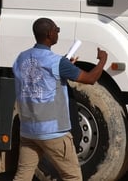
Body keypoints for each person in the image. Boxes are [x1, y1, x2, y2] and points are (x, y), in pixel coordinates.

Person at [12, 17, 108, 181]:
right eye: (57, 30)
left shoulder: (21, 58)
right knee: (72, 176)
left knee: (22, 176)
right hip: (53, 132)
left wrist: (67, 66)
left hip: (28, 130)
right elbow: (90, 78)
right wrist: (102, 60)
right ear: (50, 34)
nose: (58, 33)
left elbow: (40, 78)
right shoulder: (56, 62)